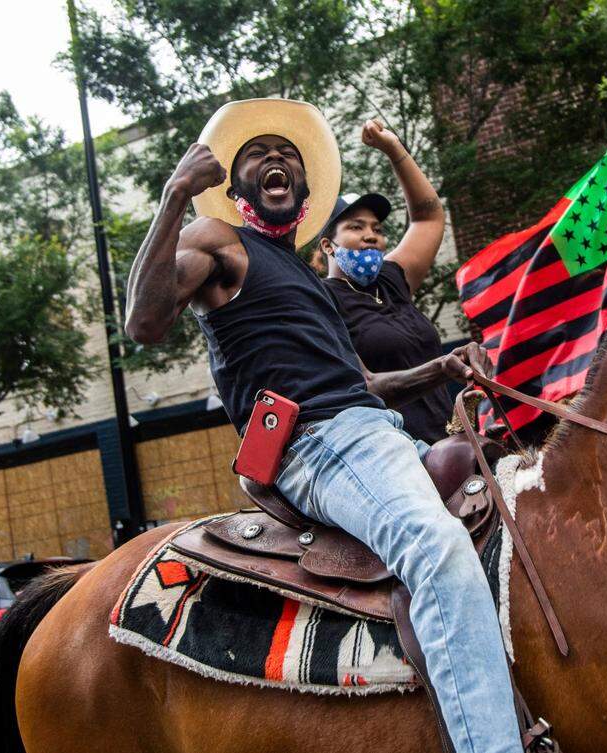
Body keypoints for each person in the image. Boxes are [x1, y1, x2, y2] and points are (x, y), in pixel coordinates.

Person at [124, 98, 522, 753]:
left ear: (304, 191)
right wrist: (172, 197)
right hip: (320, 446)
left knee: (512, 525)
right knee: (438, 549)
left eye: (289, 155)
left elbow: (361, 384)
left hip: (383, 433)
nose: (275, 158)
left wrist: (439, 368)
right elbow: (143, 325)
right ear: (232, 181)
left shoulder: (304, 278)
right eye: (257, 153)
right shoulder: (217, 240)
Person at [312, 119, 453, 445]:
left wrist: (393, 148)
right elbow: (367, 385)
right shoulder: (319, 300)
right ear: (328, 245)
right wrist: (444, 367)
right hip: (398, 456)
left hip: (451, 444)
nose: (371, 235)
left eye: (377, 228)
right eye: (356, 227)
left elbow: (428, 216)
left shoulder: (391, 280)